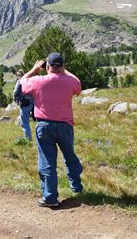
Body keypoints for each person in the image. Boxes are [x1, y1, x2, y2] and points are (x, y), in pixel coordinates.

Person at [20, 53, 83, 208]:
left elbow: (22, 82)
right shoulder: (70, 81)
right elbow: (78, 84)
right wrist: (64, 70)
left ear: (47, 66)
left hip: (44, 126)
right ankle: (76, 188)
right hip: (65, 126)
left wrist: (34, 69)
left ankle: (50, 197)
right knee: (70, 157)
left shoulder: (38, 81)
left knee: (47, 161)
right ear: (62, 66)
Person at [13, 70, 34, 141]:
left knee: (24, 122)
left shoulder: (20, 81)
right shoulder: (29, 80)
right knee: (27, 120)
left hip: (24, 102)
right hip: (32, 102)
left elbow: (15, 92)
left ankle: (28, 139)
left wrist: (15, 99)